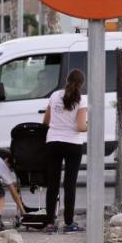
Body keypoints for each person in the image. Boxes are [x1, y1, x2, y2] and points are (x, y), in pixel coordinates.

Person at [43, 68, 88, 233]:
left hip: (53, 142)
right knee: (70, 184)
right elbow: (81, 126)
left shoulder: (55, 96)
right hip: (72, 144)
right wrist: (90, 124)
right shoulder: (81, 100)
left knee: (52, 183)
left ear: (67, 80)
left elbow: (46, 121)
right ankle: (69, 223)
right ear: (81, 84)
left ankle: (50, 223)